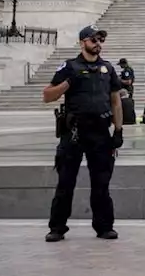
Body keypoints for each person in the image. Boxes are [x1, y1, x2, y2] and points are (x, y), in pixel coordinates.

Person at [43, 25, 123, 242]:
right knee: (66, 182)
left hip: (100, 132)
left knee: (101, 183)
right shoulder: (69, 67)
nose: (98, 43)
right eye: (93, 39)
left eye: (100, 39)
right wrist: (68, 83)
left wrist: (118, 130)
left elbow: (116, 101)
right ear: (82, 42)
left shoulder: (108, 68)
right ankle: (57, 227)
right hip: (74, 133)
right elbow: (47, 95)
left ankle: (104, 226)